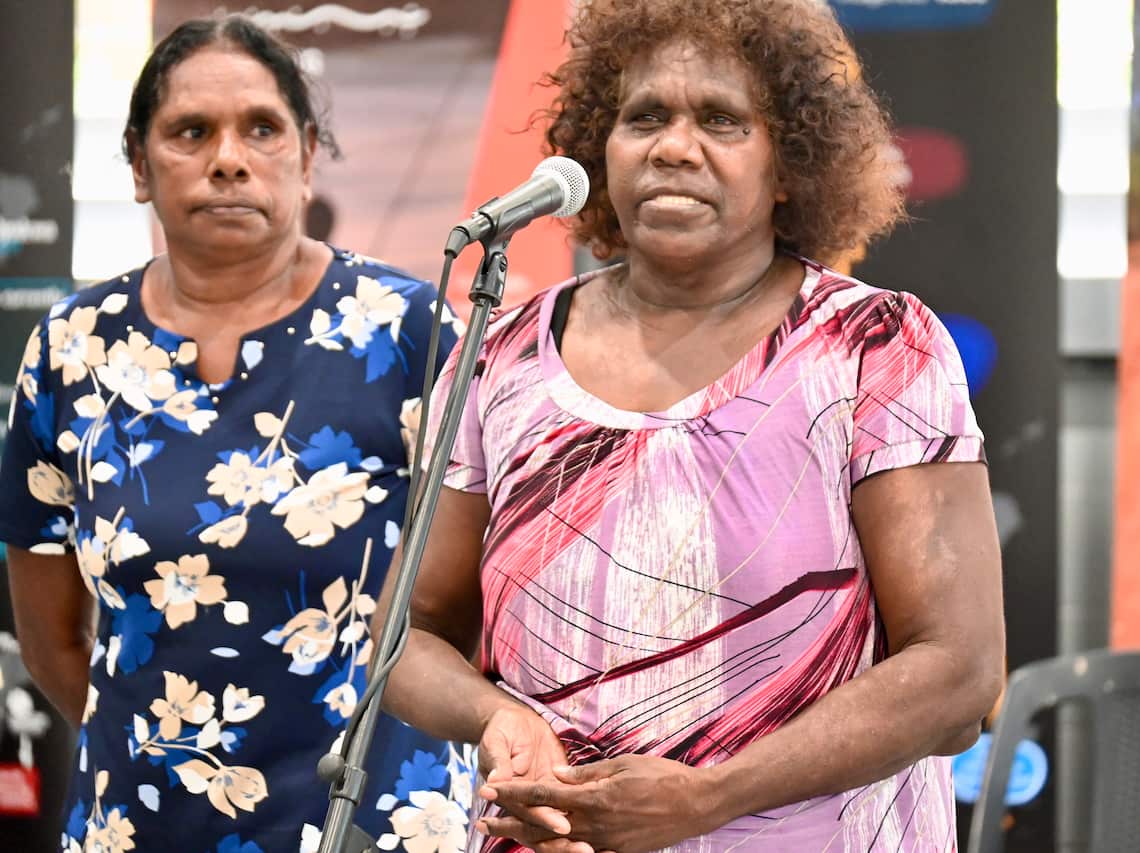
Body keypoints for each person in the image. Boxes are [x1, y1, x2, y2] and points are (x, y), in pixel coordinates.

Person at [376, 0, 1005, 850]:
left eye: (721, 119)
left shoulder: (875, 347)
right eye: (644, 118)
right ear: (598, 151)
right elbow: (406, 633)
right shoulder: (503, 353)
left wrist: (710, 796)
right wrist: (495, 717)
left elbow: (959, 672)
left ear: (788, 165)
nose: (674, 147)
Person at [0, 16, 474, 853]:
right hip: (141, 822)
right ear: (139, 166)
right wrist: (166, 758)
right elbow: (49, 641)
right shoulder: (74, 348)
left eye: (262, 128)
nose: (228, 158)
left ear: (308, 154)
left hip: (370, 823)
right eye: (191, 132)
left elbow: (468, 617)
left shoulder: (411, 333)